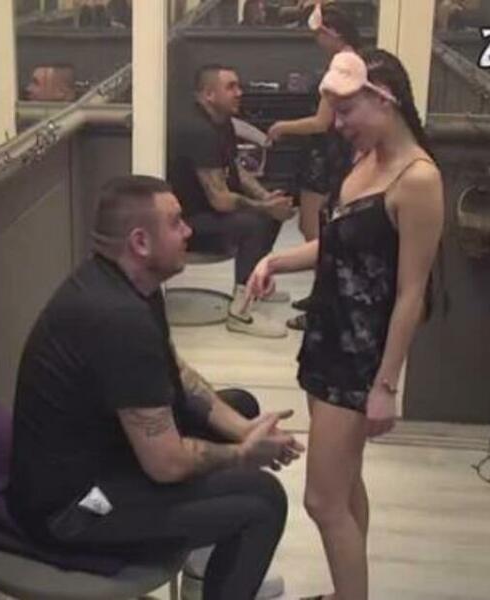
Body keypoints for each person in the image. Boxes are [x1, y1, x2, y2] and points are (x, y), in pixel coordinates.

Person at [8, 175, 305, 600]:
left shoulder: (129, 284)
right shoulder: (117, 318)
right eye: (176, 222)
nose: (189, 231)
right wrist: (244, 454)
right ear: (141, 242)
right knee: (263, 501)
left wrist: (243, 429)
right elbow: (165, 464)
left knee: (239, 405)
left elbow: (176, 373)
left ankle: (207, 573)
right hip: (74, 511)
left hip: (107, 459)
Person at [245, 49, 444, 600]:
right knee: (346, 483)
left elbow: (411, 293)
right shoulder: (364, 159)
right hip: (326, 336)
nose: (337, 124)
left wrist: (386, 385)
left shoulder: (418, 179)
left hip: (359, 359)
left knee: (322, 501)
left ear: (384, 101)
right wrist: (276, 261)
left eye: (346, 110)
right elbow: (337, 243)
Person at [169, 64, 296, 339]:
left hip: (207, 213)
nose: (239, 93)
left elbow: (236, 170)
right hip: (186, 224)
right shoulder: (198, 131)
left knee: (272, 211)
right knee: (254, 223)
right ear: (208, 94)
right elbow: (221, 201)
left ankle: (256, 285)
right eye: (231, 87)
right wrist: (264, 207)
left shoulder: (222, 122)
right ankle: (240, 313)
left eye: (238, 86)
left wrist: (266, 197)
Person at [267, 3, 359, 329]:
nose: (317, 41)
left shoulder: (342, 64)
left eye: (319, 34)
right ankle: (321, 295)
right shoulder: (353, 60)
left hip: (325, 154)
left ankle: (323, 306)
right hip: (332, 153)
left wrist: (283, 127)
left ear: (333, 33)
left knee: (314, 231)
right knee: (318, 229)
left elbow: (322, 122)